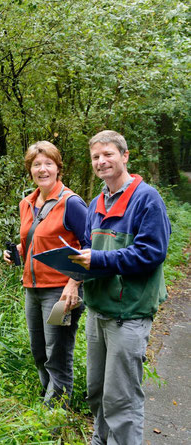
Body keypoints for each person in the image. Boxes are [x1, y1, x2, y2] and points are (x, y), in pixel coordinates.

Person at [69, 130, 171, 445]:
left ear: (124, 156)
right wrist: (72, 272)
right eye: (96, 157)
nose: (101, 161)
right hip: (98, 310)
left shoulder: (146, 198)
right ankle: (100, 440)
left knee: (121, 397)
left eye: (108, 154)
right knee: (98, 390)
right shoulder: (96, 202)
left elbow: (152, 252)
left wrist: (99, 258)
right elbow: (88, 248)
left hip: (129, 313)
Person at [4, 141, 87, 407]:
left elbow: (91, 246)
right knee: (39, 352)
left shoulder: (71, 203)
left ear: (58, 168)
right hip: (33, 289)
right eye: (36, 164)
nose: (42, 169)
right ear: (30, 170)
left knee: (57, 354)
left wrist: (74, 283)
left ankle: (55, 416)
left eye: (48, 164)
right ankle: (47, 405)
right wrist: (16, 251)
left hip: (61, 291)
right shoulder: (27, 203)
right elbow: (32, 240)